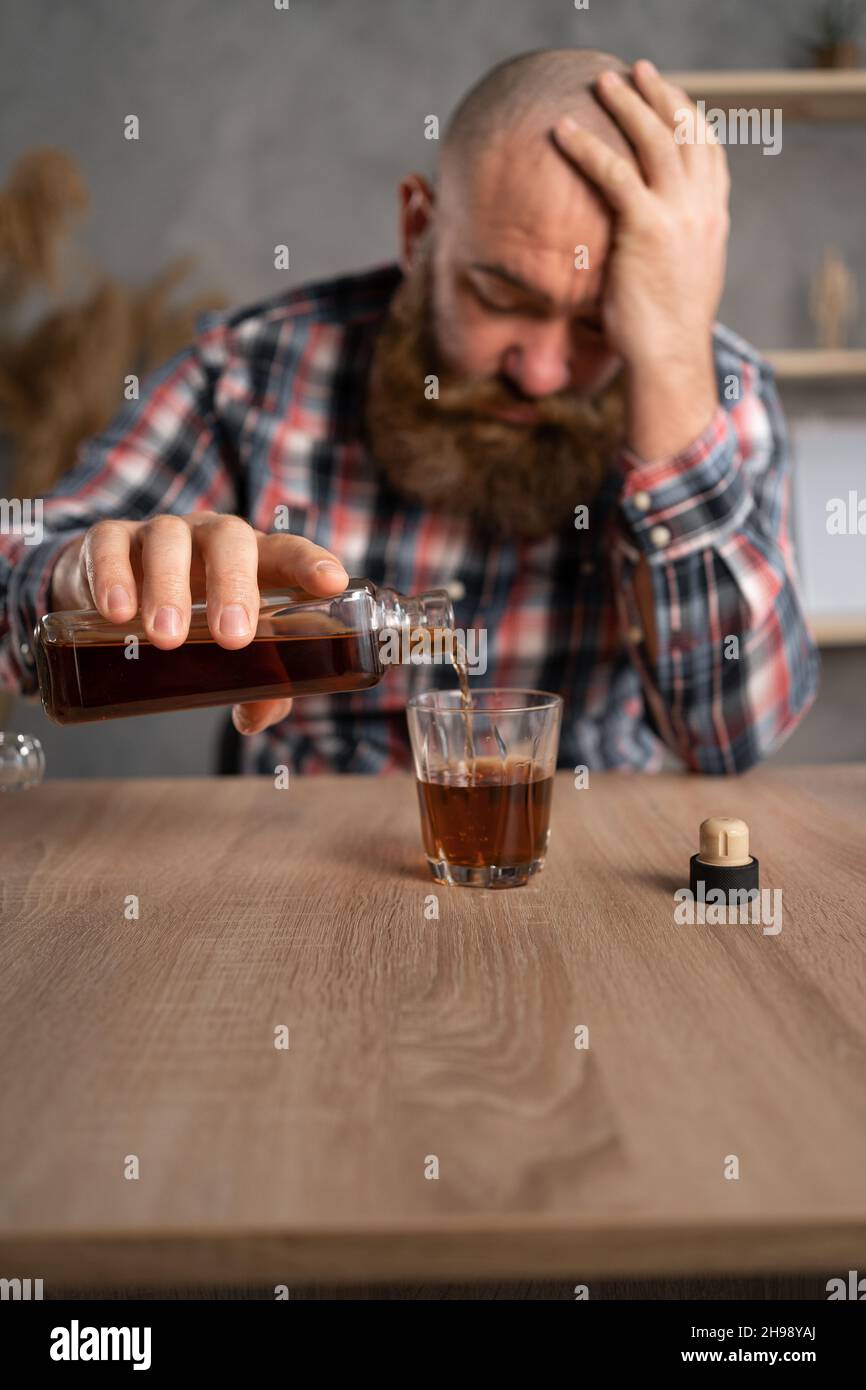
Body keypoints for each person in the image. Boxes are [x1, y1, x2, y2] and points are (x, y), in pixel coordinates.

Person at [0, 48, 818, 774]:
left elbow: (730, 736)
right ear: (419, 228)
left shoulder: (710, 390)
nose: (538, 373)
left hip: (587, 880)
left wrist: (669, 367)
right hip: (282, 878)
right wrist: (77, 576)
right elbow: (17, 574)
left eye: (602, 323)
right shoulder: (251, 373)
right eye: (500, 294)